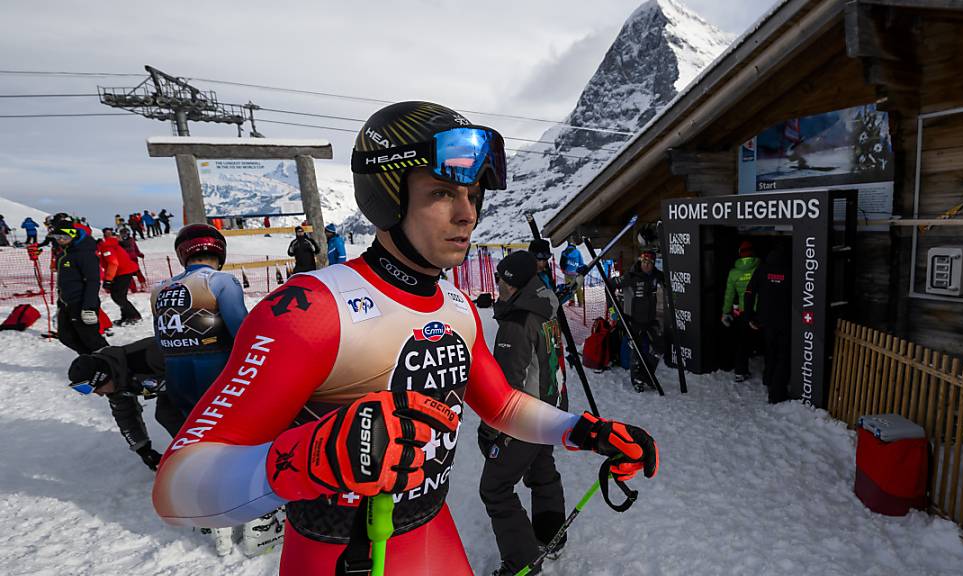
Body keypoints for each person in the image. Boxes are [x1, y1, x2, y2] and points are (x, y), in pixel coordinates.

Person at [151, 101, 658, 576]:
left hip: (431, 532)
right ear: (387, 195)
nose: (468, 214)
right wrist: (305, 458)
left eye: (473, 196)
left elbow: (501, 405)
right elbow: (176, 488)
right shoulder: (310, 310)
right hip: (338, 553)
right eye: (442, 192)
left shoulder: (454, 304)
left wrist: (586, 431)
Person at [479, 251, 568, 575]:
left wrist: (490, 430)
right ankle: (551, 536)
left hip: (527, 415)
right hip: (551, 405)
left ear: (514, 282)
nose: (497, 284)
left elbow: (504, 387)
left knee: (495, 487)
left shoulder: (517, 323)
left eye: (501, 278)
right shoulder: (544, 304)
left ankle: (522, 562)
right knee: (542, 469)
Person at [150, 224, 248, 416]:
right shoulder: (222, 280)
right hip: (216, 363)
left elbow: (160, 339)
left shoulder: (160, 288)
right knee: (229, 421)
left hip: (175, 369)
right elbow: (242, 330)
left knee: (193, 422)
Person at [67, 337, 185, 471]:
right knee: (167, 414)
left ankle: (203, 446)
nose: (99, 394)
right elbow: (125, 416)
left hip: (201, 380)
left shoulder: (147, 356)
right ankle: (195, 449)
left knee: (178, 410)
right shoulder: (116, 384)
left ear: (103, 377)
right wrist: (144, 450)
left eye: (95, 389)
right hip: (175, 388)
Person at [49, 214, 108, 354]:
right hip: (66, 303)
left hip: (81, 302)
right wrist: (60, 304)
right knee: (66, 336)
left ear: (73, 235)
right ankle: (91, 361)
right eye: (58, 238)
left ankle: (112, 363)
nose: (61, 240)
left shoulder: (84, 253)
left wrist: (88, 306)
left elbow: (93, 281)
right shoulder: (65, 254)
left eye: (64, 237)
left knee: (91, 339)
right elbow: (64, 282)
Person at [611, 249, 666, 392]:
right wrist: (614, 311)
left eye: (650, 263)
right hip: (633, 320)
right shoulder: (631, 276)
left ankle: (647, 374)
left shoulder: (656, 275)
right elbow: (610, 284)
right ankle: (637, 379)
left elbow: (667, 282)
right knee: (637, 349)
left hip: (650, 319)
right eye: (645, 262)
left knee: (659, 347)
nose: (647, 265)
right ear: (641, 261)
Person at [744, 242, 791, 403]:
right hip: (785, 321)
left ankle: (768, 379)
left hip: (765, 320)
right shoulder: (790, 271)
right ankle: (777, 394)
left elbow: (749, 293)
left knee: (770, 351)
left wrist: (749, 316)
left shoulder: (761, 270)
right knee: (783, 356)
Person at [721, 240, 760, 382]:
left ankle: (740, 372)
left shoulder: (733, 273)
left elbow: (729, 294)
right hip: (761, 311)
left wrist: (725, 312)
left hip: (744, 312)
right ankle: (768, 376)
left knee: (742, 342)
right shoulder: (759, 267)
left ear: (740, 254)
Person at [98, 227, 143, 325]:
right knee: (120, 296)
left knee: (118, 296)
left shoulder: (106, 247)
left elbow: (113, 263)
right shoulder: (113, 245)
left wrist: (108, 280)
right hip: (124, 271)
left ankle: (133, 316)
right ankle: (127, 316)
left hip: (122, 272)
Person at [558, 239, 584, 306]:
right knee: (578, 287)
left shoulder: (564, 252)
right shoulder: (578, 252)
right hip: (576, 273)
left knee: (569, 287)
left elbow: (561, 263)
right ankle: (580, 302)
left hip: (567, 273)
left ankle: (572, 301)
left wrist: (563, 270)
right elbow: (581, 263)